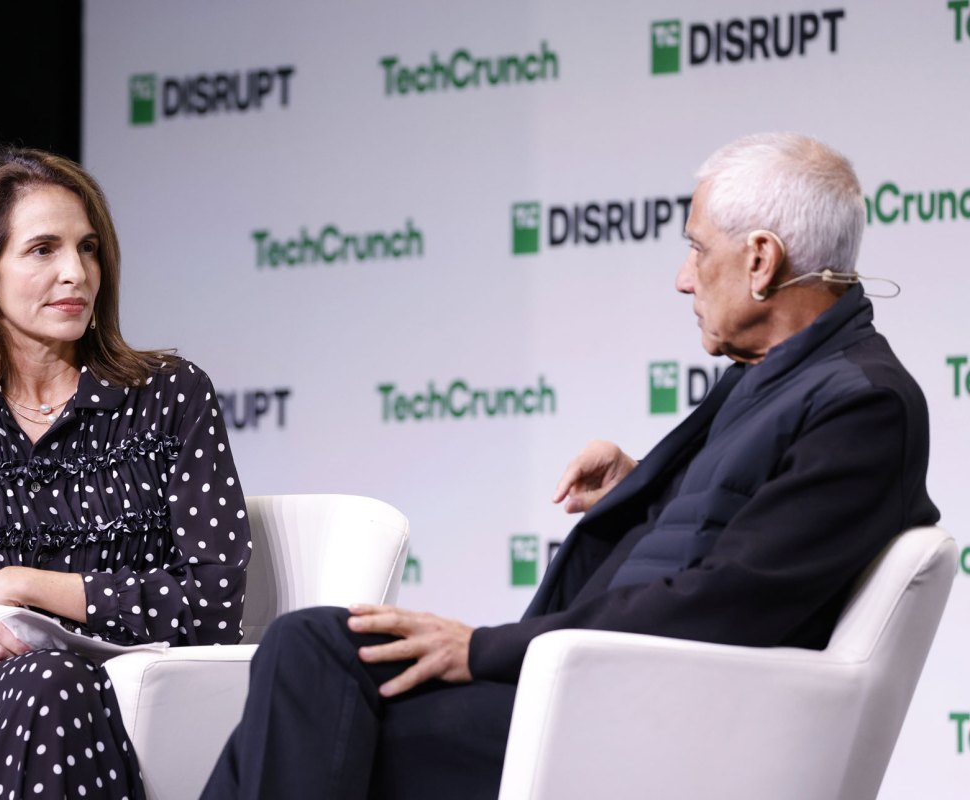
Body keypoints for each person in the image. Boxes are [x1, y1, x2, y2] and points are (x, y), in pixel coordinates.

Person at [199, 131, 940, 799]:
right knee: (310, 641)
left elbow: (727, 601)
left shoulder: (864, 405)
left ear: (760, 260)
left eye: (696, 249)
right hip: (595, 686)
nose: (684, 279)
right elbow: (750, 510)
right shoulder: (781, 373)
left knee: (306, 714)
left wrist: (483, 649)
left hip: (636, 723)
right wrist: (649, 482)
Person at [0, 145, 251, 799]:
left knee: (55, 685)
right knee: (41, 687)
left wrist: (22, 585)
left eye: (88, 249)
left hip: (142, 711)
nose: (76, 273)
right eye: (43, 249)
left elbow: (212, 607)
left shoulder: (170, 395)